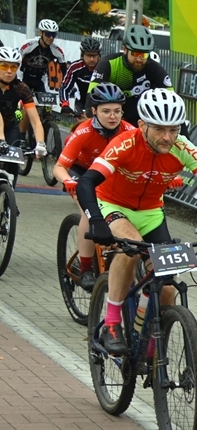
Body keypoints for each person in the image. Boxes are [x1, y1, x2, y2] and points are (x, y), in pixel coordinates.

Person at [78, 89, 197, 353]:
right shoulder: (125, 143)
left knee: (167, 288)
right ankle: (112, 322)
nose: (167, 137)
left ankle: (148, 348)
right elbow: (86, 182)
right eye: (159, 129)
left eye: (173, 129)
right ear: (142, 125)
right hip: (113, 205)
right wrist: (96, 220)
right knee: (131, 247)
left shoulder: (182, 147)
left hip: (151, 213)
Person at [54, 84, 130, 287]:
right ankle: (86, 268)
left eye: (117, 111)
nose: (112, 116)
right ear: (94, 111)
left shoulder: (130, 131)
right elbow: (59, 168)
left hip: (107, 175)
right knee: (89, 213)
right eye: (106, 111)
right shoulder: (84, 132)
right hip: (81, 172)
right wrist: (69, 181)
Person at [92, 25, 171, 126]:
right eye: (135, 54)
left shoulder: (154, 68)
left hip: (142, 120)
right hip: (115, 119)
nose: (139, 59)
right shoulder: (108, 63)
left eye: (144, 55)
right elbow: (92, 97)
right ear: (125, 49)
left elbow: (171, 99)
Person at [0, 48, 47, 157]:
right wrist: (1, 140)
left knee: (13, 162)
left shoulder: (21, 88)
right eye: (4, 66)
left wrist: (41, 144)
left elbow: (35, 121)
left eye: (13, 67)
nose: (9, 71)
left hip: (10, 126)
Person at [18, 19, 68, 98]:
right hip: (24, 77)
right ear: (40, 33)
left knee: (45, 103)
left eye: (53, 34)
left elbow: (64, 70)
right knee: (22, 100)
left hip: (40, 80)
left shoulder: (57, 50)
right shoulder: (28, 45)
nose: (51, 37)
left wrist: (66, 85)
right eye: (48, 34)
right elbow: (16, 61)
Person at [61, 37, 103, 118]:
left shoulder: (105, 66)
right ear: (82, 55)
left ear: (99, 55)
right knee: (82, 124)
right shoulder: (75, 67)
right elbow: (65, 87)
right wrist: (65, 104)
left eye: (94, 55)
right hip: (81, 103)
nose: (91, 59)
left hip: (100, 104)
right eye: (88, 55)